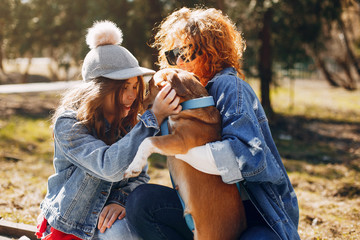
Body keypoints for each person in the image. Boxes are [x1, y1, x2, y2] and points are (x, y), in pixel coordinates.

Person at [126, 7, 300, 240]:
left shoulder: (229, 87)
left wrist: (177, 146)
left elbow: (248, 158)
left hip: (256, 213)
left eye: (185, 53)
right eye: (171, 55)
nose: (177, 62)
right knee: (142, 202)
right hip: (207, 211)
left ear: (211, 51)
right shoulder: (185, 95)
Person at [36, 20, 181, 240]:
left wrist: (120, 199)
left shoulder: (131, 122)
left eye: (135, 86)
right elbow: (108, 166)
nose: (132, 96)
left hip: (103, 221)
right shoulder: (69, 124)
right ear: (100, 89)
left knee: (126, 234)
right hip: (70, 225)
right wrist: (155, 117)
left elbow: (140, 176)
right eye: (123, 88)